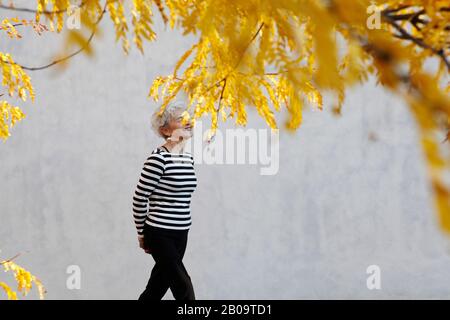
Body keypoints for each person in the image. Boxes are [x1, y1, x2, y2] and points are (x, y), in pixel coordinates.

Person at [132, 101, 197, 300]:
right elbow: (139, 197)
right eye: (180, 119)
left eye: (188, 118)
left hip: (181, 232)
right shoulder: (159, 158)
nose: (188, 122)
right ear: (165, 129)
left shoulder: (187, 158)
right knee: (183, 288)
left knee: (157, 288)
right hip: (160, 233)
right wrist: (142, 234)